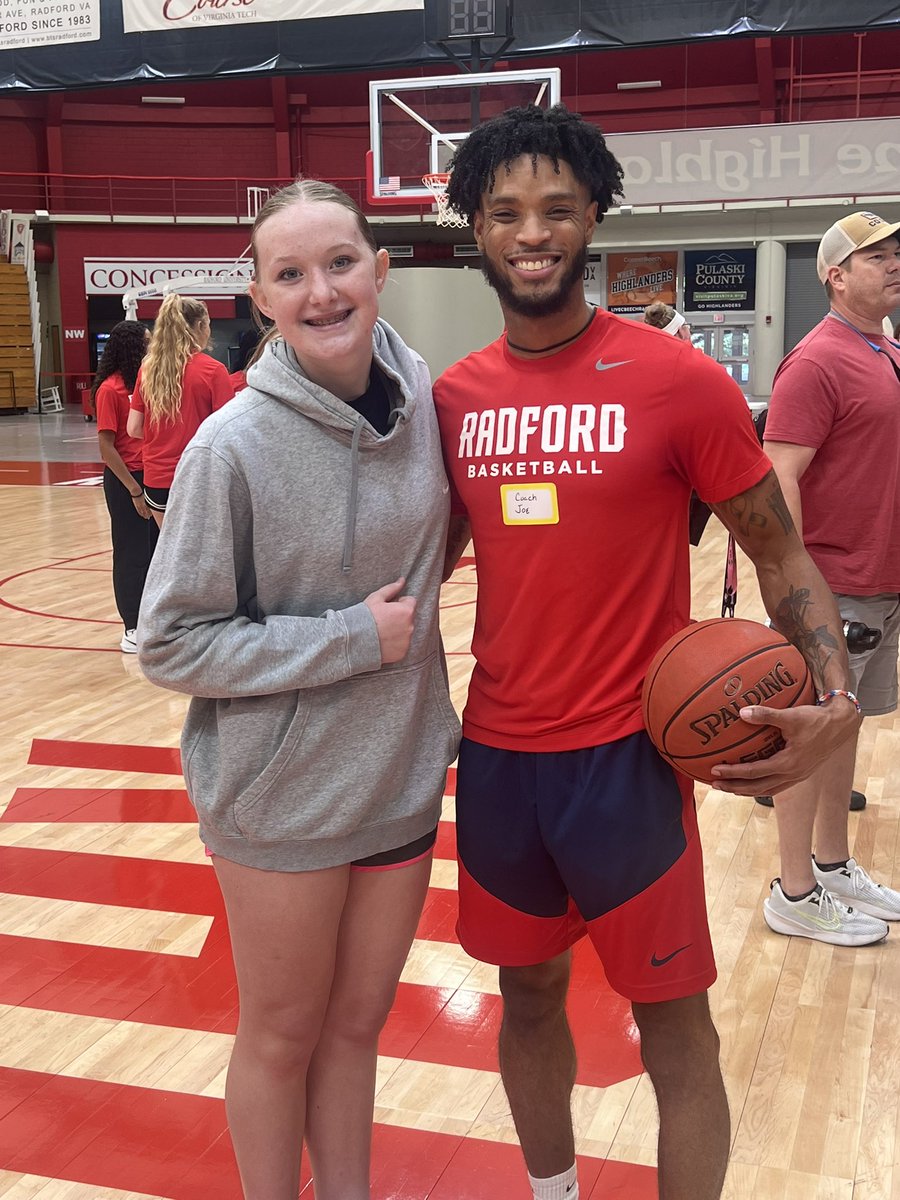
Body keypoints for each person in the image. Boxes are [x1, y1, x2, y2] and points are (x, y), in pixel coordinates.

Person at [432, 104, 860, 1200]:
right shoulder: (454, 400)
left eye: (557, 209)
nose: (533, 232)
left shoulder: (678, 381)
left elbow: (780, 551)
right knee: (526, 998)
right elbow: (415, 569)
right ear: (475, 228)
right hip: (499, 763)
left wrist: (835, 698)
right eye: (506, 212)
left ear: (593, 219)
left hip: (629, 761)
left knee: (675, 1024)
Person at [136, 179, 460, 1200]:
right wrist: (348, 639)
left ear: (380, 271)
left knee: (358, 1027)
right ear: (261, 298)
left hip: (399, 777)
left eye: (340, 263)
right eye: (291, 274)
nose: (321, 292)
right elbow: (169, 643)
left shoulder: (424, 401)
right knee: (282, 1034)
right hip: (281, 795)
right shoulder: (231, 447)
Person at [758, 210, 900, 946]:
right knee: (809, 734)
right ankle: (793, 891)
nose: (894, 262)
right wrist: (798, 586)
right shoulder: (816, 361)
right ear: (836, 276)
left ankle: (834, 864)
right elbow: (779, 475)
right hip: (832, 584)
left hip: (881, 579)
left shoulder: (885, 349)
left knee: (844, 726)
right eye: (876, 256)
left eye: (895, 251)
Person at [126, 293, 234, 526]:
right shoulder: (214, 371)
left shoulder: (147, 370)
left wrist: (165, 434)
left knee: (169, 545)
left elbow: (133, 428)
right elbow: (227, 433)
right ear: (200, 326)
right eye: (208, 325)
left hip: (156, 479)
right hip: (198, 476)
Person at [92, 319, 158, 653]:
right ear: (132, 348)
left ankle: (154, 619)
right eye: (146, 342)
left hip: (153, 475)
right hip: (125, 481)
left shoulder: (147, 384)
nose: (151, 347)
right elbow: (107, 448)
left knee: (156, 553)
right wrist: (134, 490)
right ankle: (132, 626)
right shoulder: (110, 390)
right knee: (131, 553)